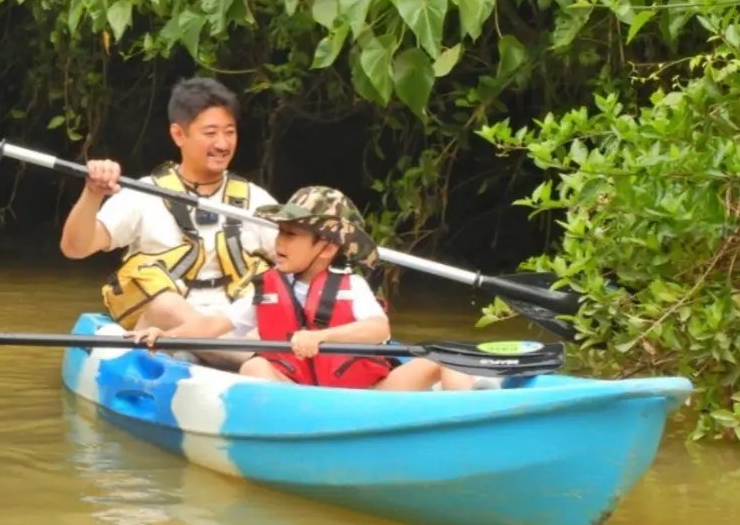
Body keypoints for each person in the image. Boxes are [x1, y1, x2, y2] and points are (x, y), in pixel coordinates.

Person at [134, 186, 487, 392]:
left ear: (328, 247)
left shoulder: (352, 285)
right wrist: (165, 337)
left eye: (291, 234)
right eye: (279, 232)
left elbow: (379, 329)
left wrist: (320, 337)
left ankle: (469, 420)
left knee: (442, 359)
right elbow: (215, 325)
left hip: (369, 395)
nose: (279, 242)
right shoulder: (268, 287)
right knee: (254, 368)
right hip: (300, 396)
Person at [59, 77, 277, 336]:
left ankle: (244, 357)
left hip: (234, 323)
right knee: (167, 306)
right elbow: (75, 248)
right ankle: (244, 358)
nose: (222, 144)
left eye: (230, 132)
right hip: (166, 325)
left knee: (269, 307)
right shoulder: (144, 193)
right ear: (178, 134)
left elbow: (299, 260)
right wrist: (93, 193)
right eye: (210, 133)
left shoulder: (256, 199)